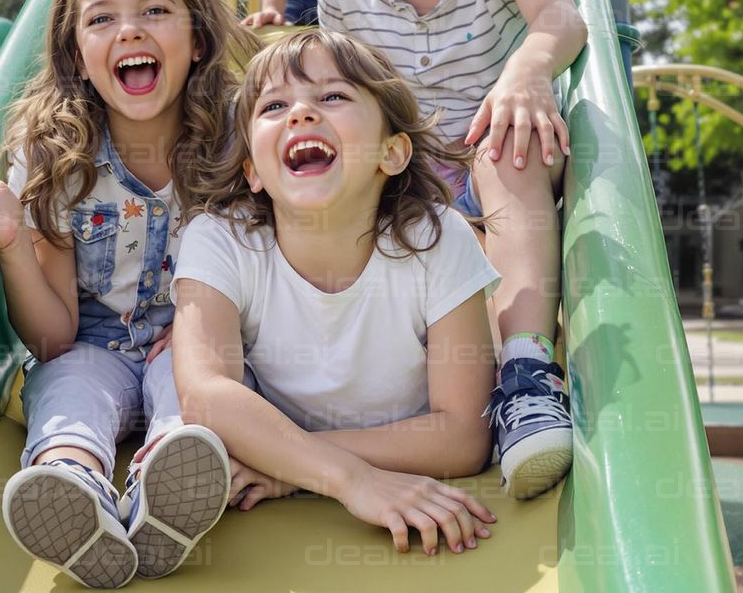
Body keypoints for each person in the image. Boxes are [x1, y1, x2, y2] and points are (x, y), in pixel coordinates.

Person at [0, 0, 257, 589]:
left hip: (199, 340)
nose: (129, 29)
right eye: (102, 19)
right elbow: (54, 337)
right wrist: (15, 238)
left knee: (194, 391)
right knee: (72, 386)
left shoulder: (237, 141)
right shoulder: (55, 157)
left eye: (155, 11)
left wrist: (207, 331)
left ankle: (168, 489)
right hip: (90, 345)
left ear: (197, 39)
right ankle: (72, 483)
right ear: (78, 53)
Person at [317, 0, 586, 500]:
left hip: (501, 143)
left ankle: (529, 373)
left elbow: (559, 19)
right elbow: (349, 102)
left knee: (508, 146)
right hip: (412, 170)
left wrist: (525, 76)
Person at [174, 30, 502, 557]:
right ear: (253, 172)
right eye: (274, 105)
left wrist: (292, 467)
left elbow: (463, 436)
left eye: (333, 96)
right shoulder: (220, 240)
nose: (301, 113)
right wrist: (350, 479)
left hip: (318, 463)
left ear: (392, 152)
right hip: (310, 478)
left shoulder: (437, 239)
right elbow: (205, 395)